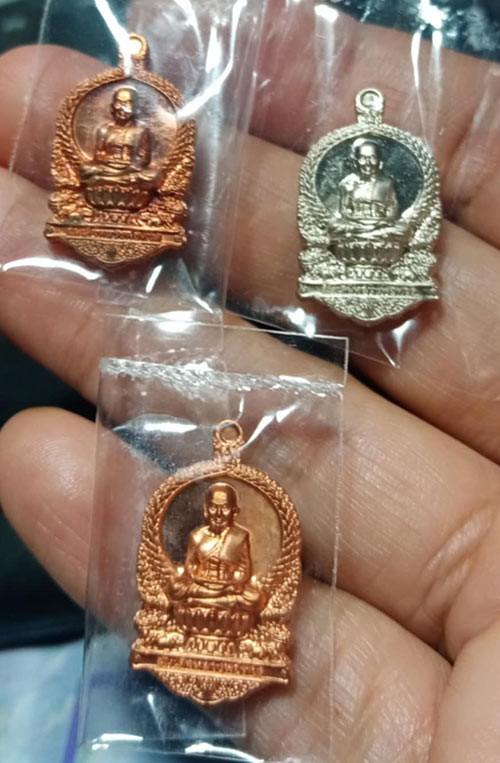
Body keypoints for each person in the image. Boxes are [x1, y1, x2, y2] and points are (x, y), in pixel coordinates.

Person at [2, 11, 500, 760]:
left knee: (234, 596)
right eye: (123, 111)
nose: (219, 512)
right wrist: (115, 156)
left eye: (372, 160)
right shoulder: (208, 531)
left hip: (366, 248)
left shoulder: (233, 535)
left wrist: (372, 212)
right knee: (192, 591)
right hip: (117, 197)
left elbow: (244, 582)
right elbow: (115, 157)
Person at [167, 483, 264, 613]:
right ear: (206, 510)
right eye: (213, 508)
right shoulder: (196, 536)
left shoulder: (239, 537)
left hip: (226, 586)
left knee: (255, 597)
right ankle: (220, 602)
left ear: (234, 512)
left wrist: (230, 580)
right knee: (175, 588)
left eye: (225, 508)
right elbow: (190, 565)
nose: (218, 514)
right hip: (201, 583)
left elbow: (244, 569)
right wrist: (198, 577)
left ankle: (200, 602)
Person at [80, 86, 161, 192]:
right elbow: (98, 154)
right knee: (85, 169)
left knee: (153, 175)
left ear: (135, 107)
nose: (122, 108)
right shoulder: (104, 129)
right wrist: (109, 159)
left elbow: (145, 159)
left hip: (130, 169)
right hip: (108, 167)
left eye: (127, 103)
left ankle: (108, 181)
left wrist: (130, 162)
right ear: (112, 106)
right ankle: (121, 180)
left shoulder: (141, 130)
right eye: (118, 103)